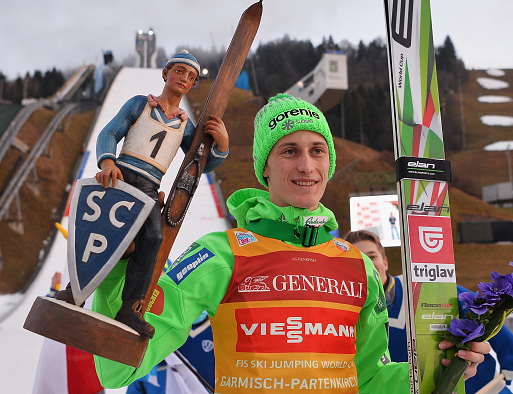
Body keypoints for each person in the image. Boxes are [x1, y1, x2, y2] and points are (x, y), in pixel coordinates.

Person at [93, 93, 489, 393]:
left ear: (329, 165)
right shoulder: (222, 254)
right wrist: (121, 263)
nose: (306, 165)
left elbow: (367, 380)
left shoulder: (358, 267)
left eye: (318, 151)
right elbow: (117, 368)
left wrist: (438, 371)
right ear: (264, 166)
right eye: (289, 151)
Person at [57, 50, 229, 339]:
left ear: (193, 85)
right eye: (179, 71)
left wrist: (221, 146)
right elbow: (109, 133)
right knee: (103, 229)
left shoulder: (185, 126)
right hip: (121, 176)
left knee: (152, 238)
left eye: (191, 77)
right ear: (165, 73)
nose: (183, 79)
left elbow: (198, 165)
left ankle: (131, 307)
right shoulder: (140, 104)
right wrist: (107, 161)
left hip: (149, 187)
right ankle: (75, 290)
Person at [344, 229, 513, 394]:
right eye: (357, 259)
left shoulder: (421, 287)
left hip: (481, 386)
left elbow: (484, 312)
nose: (366, 264)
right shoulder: (347, 313)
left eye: (372, 256)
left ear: (385, 262)